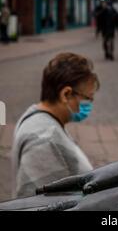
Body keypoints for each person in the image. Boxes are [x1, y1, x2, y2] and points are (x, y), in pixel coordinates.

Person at [12, 52, 100, 198]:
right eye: (87, 98)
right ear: (66, 94)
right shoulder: (44, 141)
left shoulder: (37, 116)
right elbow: (39, 204)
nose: (89, 105)